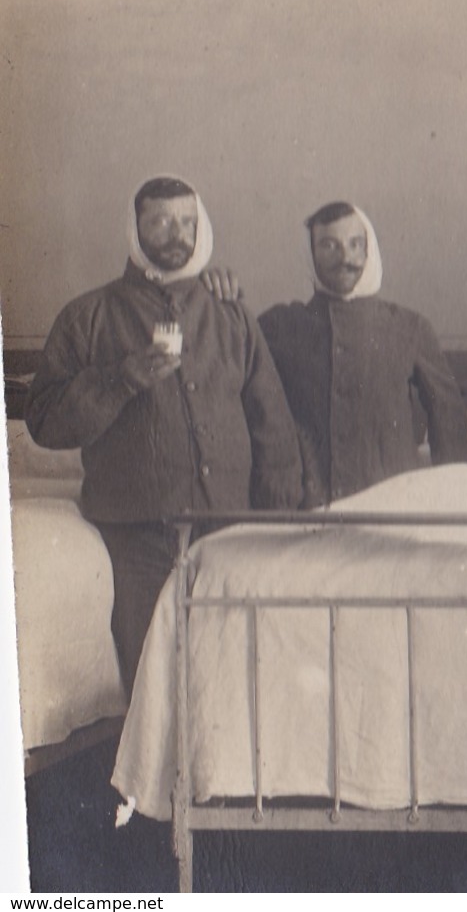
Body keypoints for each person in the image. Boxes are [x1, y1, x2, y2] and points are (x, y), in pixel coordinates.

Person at [25, 176, 302, 693]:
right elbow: (44, 423)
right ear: (135, 229)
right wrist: (124, 376)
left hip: (229, 530)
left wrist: (275, 525)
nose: (177, 233)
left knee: (236, 679)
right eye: (161, 221)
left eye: (187, 222)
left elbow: (273, 427)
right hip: (136, 536)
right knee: (151, 684)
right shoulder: (87, 317)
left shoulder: (231, 312)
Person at [258, 202, 467, 506]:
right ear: (311, 255)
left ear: (368, 250)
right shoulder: (278, 326)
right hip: (309, 505)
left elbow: (449, 426)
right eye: (329, 246)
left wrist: (459, 505)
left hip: (393, 506)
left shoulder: (409, 327)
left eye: (354, 245)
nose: (344, 258)